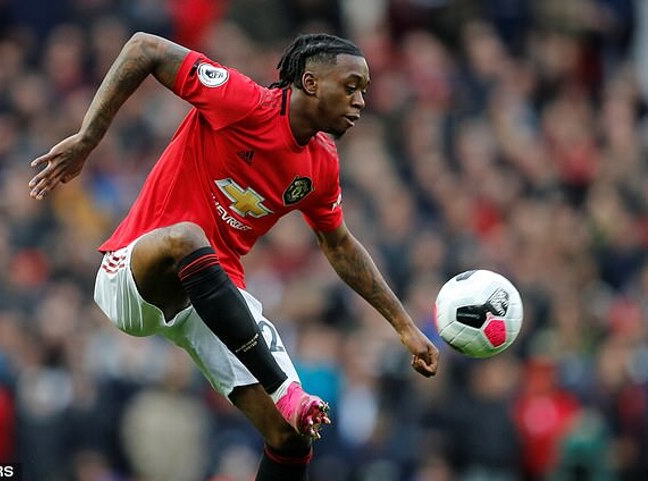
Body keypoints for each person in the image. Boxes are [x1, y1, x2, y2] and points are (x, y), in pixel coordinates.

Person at [28, 31, 439, 480]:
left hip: (213, 300)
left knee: (292, 436)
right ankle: (282, 388)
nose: (360, 101)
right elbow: (144, 48)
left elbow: (339, 245)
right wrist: (88, 138)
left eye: (364, 90)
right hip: (135, 277)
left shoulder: (321, 164)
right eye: (351, 86)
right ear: (311, 82)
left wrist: (404, 326)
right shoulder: (244, 103)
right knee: (187, 237)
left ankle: (284, 401)